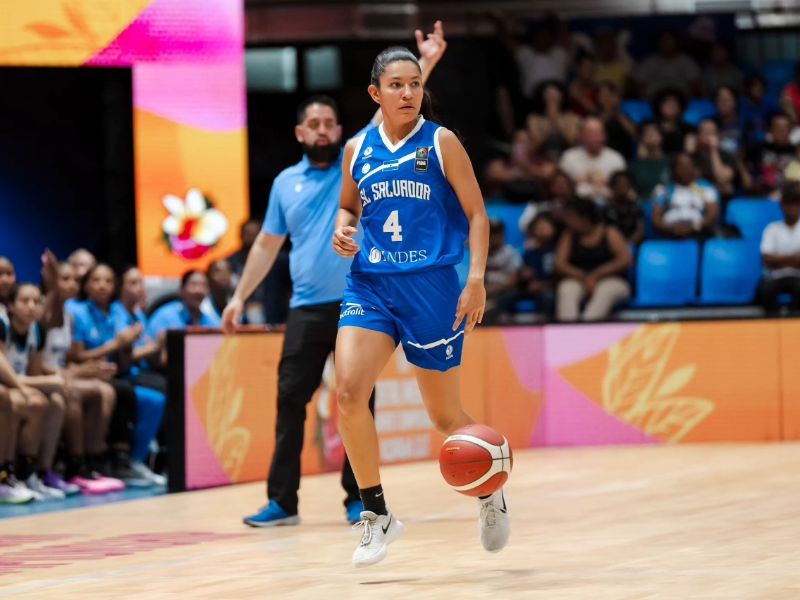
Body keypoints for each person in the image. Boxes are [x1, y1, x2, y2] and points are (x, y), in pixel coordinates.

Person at [222, 22, 448, 529]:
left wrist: (425, 59)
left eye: (330, 122)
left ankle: (357, 497)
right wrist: (238, 298)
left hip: (359, 300)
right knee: (289, 401)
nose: (324, 130)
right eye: (314, 124)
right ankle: (282, 501)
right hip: (305, 306)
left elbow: (396, 99)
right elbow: (265, 245)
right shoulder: (284, 184)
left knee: (356, 399)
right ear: (300, 133)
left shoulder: (361, 155)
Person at [331, 44, 505, 568]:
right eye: (397, 85)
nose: (408, 93)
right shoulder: (356, 149)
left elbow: (477, 215)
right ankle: (376, 515)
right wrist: (342, 229)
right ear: (375, 94)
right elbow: (346, 206)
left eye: (414, 84)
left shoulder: (442, 142)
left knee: (444, 415)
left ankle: (490, 486)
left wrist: (475, 278)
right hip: (371, 286)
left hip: (433, 288)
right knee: (347, 391)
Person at [71, 264, 163, 486]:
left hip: (114, 375)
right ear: (86, 285)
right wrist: (116, 344)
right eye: (96, 280)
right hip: (86, 375)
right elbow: (77, 356)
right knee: (123, 391)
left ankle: (133, 460)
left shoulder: (114, 314)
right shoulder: (78, 312)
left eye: (108, 281)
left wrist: (127, 346)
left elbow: (123, 360)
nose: (102, 286)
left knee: (155, 396)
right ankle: (111, 459)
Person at [42, 262, 123, 494]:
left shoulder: (68, 316)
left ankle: (92, 463)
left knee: (100, 391)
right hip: (46, 379)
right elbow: (38, 364)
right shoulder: (46, 313)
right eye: (63, 279)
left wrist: (87, 370)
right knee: (76, 392)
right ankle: (75, 465)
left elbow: (66, 359)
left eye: (74, 280)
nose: (70, 285)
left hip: (61, 375)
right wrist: (76, 372)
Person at [0, 283, 70, 499]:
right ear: (11, 305)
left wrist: (47, 382)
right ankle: (5, 475)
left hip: (15, 384)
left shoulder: (35, 331)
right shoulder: (2, 324)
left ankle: (35, 473)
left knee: (54, 402)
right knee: (16, 401)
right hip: (6, 385)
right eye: (24, 301)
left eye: (36, 301)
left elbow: (32, 372)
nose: (31, 307)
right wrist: (26, 387)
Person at [555, 199, 632, 321]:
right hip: (580, 279)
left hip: (612, 280)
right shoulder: (569, 235)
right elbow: (560, 264)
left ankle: (588, 326)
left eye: (571, 218)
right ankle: (567, 329)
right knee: (566, 289)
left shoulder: (610, 232)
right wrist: (585, 277)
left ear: (584, 218)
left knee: (606, 291)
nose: (567, 221)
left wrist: (597, 275)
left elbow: (625, 260)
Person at [227, 220, 290, 325]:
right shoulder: (230, 262)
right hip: (240, 317)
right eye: (247, 234)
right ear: (240, 235)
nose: (251, 238)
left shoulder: (281, 261)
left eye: (254, 234)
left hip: (274, 317)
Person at [652, 153, 720, 239]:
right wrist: (672, 229)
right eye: (681, 166)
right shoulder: (664, 190)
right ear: (674, 169)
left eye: (688, 166)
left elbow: (712, 214)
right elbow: (656, 219)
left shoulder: (704, 188)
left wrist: (693, 227)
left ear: (694, 168)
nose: (685, 170)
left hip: (698, 234)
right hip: (670, 235)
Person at [559, 117, 626, 203]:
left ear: (605, 136)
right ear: (581, 135)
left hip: (608, 204)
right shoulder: (568, 157)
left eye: (598, 133)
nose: (595, 138)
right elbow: (561, 186)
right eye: (590, 133)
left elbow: (621, 187)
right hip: (575, 204)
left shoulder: (616, 158)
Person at [758, 181, 800, 312]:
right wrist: (794, 258)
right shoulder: (772, 229)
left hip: (798, 276)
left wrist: (778, 259)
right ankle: (773, 321)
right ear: (782, 206)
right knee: (764, 291)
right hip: (776, 276)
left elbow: (772, 258)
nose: (792, 207)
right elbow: (766, 259)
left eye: (795, 204)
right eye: (788, 204)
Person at [635, 31, 701, 99]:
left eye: (670, 41)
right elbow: (640, 84)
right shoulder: (649, 62)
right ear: (659, 43)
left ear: (677, 43)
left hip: (681, 103)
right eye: (664, 41)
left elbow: (695, 85)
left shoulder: (687, 62)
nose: (667, 44)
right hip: (653, 102)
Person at [746, 113, 798, 197]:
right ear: (770, 130)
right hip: (761, 196)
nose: (780, 132)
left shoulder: (796, 152)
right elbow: (746, 164)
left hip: (789, 199)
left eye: (784, 129)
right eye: (777, 128)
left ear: (790, 131)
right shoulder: (759, 148)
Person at [484, 220, 523, 322]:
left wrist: (494, 289)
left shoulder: (510, 252)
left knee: (504, 299)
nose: (495, 237)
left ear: (503, 235)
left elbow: (514, 280)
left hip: (505, 290)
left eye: (498, 234)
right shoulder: (481, 253)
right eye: (492, 234)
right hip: (486, 291)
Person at [629, 121, 671, 200]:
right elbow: (632, 193)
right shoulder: (634, 167)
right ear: (641, 139)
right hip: (644, 205)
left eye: (654, 131)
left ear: (661, 136)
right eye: (646, 133)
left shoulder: (672, 162)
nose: (650, 134)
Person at [603, 170, 645, 245]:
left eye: (626, 185)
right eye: (619, 184)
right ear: (612, 187)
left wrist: (629, 243)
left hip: (633, 243)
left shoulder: (636, 206)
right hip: (612, 245)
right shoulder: (605, 208)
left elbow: (640, 230)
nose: (622, 188)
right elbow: (603, 231)